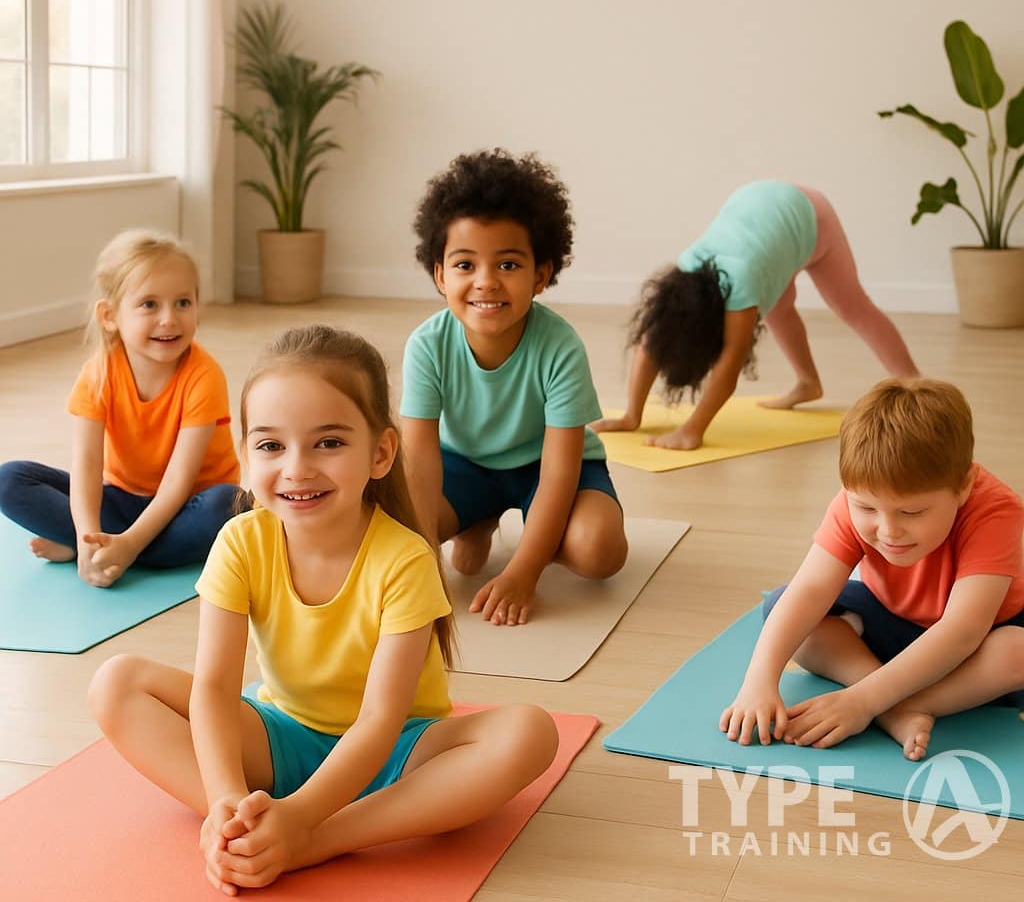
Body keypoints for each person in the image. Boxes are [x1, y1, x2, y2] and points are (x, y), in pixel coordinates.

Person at [88, 325, 558, 894]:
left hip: (398, 755)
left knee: (530, 733)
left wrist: (303, 821)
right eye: (270, 445)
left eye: (328, 443)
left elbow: (381, 721)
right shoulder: (240, 542)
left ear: (381, 452)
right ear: (244, 456)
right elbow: (213, 689)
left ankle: (316, 840)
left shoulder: (404, 557)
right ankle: (246, 831)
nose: (297, 468)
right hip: (278, 736)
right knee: (117, 683)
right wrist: (225, 803)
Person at [720, 377, 1024, 761]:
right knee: (786, 610)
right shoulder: (854, 499)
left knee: (1017, 652)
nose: (888, 529)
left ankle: (898, 702)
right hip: (895, 624)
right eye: (866, 508)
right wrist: (759, 681)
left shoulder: (995, 509)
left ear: (963, 487)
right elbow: (810, 590)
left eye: (911, 512)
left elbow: (963, 630)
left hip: (978, 641)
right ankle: (896, 710)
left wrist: (862, 702)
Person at [401, 148, 628, 627]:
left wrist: (524, 572)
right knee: (392, 524)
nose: (486, 282)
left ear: (541, 275)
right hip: (463, 465)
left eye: (507, 265)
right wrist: (421, 565)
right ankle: (478, 519)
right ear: (440, 275)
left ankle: (532, 534)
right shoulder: (426, 345)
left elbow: (559, 470)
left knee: (600, 552)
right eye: (465, 265)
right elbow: (418, 462)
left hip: (546, 467)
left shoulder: (560, 346)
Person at [591, 181, 919, 450]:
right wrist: (632, 415)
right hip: (762, 209)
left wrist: (693, 429)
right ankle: (808, 383)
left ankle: (914, 381)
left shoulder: (742, 283)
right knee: (778, 305)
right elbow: (650, 340)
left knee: (853, 307)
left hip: (812, 215)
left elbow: (731, 363)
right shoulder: (685, 272)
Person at [0, 230, 240, 586]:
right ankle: (102, 547)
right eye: (149, 304)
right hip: (121, 501)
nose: (169, 319)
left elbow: (178, 482)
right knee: (9, 479)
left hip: (188, 505)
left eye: (183, 303)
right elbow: (87, 466)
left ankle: (118, 549)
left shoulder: (204, 376)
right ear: (109, 315)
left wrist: (128, 544)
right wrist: (86, 537)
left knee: (228, 505)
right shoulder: (98, 373)